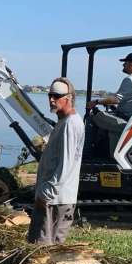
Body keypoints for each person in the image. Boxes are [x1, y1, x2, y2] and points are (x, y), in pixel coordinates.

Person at [27, 77, 85, 244]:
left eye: (57, 96)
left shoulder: (70, 124)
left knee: (43, 248)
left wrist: (46, 194)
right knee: (41, 246)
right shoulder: (64, 121)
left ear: (69, 98)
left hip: (55, 200)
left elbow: (65, 166)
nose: (52, 99)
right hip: (52, 197)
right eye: (50, 95)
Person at [86, 53, 132, 152]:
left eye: (125, 63)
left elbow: (116, 99)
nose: (123, 65)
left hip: (125, 118)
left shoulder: (130, 79)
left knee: (93, 116)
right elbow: (129, 100)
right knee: (110, 127)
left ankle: (87, 153)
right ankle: (105, 151)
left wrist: (96, 102)